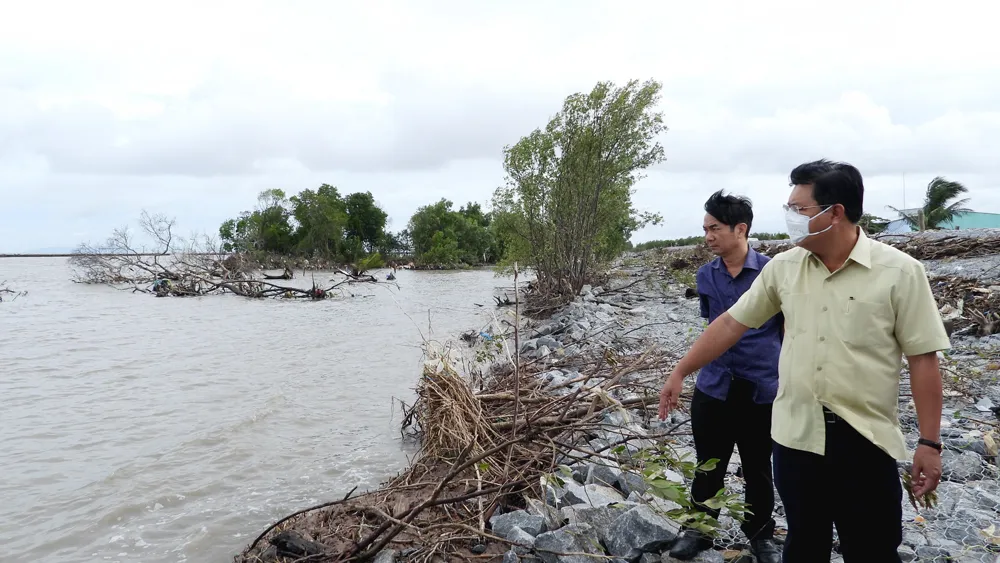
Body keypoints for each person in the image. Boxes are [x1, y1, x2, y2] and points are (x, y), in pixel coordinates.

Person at [659, 160, 949, 563]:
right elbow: (728, 324)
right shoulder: (784, 268)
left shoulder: (900, 272)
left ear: (836, 213)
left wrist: (929, 442)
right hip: (796, 437)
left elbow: (923, 358)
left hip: (865, 439)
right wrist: (680, 371)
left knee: (872, 549)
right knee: (804, 546)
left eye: (800, 209)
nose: (790, 218)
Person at [667, 191, 783, 562]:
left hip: (761, 388)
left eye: (714, 228)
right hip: (715, 385)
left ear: (741, 229)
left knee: (758, 466)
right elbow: (712, 327)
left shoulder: (772, 272)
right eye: (705, 229)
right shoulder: (706, 275)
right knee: (707, 462)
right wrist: (683, 372)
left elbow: (787, 328)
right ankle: (699, 528)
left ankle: (761, 534)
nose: (708, 237)